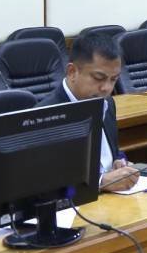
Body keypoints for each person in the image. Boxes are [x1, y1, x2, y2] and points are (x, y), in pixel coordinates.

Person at [41, 31, 139, 192]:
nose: (107, 88)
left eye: (113, 79)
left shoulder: (107, 104)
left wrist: (119, 163)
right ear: (72, 72)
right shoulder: (46, 116)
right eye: (99, 78)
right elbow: (45, 185)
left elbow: (113, 153)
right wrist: (100, 182)